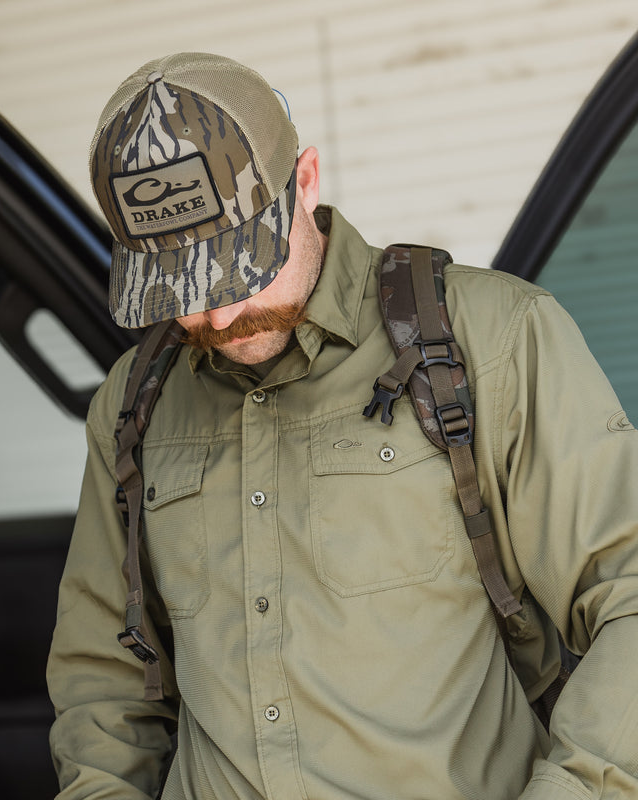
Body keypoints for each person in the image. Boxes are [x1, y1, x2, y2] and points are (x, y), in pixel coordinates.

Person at [46, 52, 638, 800]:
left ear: (307, 179)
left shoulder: (491, 341)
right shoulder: (132, 406)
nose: (216, 316)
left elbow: (628, 591)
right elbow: (104, 679)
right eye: (179, 287)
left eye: (238, 268)